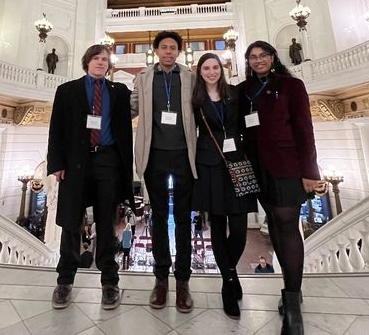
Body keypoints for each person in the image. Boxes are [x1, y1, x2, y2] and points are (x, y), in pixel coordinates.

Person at [239, 40, 325, 335]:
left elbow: (305, 129)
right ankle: (292, 289)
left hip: (287, 166)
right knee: (274, 223)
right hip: (257, 167)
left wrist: (310, 171)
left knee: (287, 224)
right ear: (247, 61)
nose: (258, 60)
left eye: (263, 55)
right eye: (253, 57)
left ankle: (292, 302)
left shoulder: (291, 85)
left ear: (273, 58)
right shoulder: (243, 91)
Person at [47, 44, 135, 311]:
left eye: (105, 59)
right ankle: (65, 281)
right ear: (87, 62)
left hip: (107, 160)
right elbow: (57, 128)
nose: (101, 62)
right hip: (76, 162)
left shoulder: (118, 92)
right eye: (96, 58)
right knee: (71, 221)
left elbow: (142, 103)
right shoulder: (67, 91)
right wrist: (57, 163)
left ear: (109, 65)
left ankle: (110, 282)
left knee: (107, 224)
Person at [131, 30, 197, 313]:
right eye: (164, 47)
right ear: (156, 51)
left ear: (179, 52)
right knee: (157, 218)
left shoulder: (191, 77)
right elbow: (131, 108)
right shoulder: (143, 78)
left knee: (183, 218)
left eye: (173, 48)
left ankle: (182, 281)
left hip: (185, 155)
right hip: (154, 155)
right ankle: (160, 280)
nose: (169, 52)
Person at [192, 53, 257, 319]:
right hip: (209, 164)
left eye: (215, 67)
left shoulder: (235, 93)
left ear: (222, 68)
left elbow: (248, 123)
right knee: (217, 226)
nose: (211, 72)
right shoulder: (195, 99)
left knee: (239, 228)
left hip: (237, 161)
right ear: (200, 71)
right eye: (206, 68)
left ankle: (229, 272)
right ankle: (228, 283)